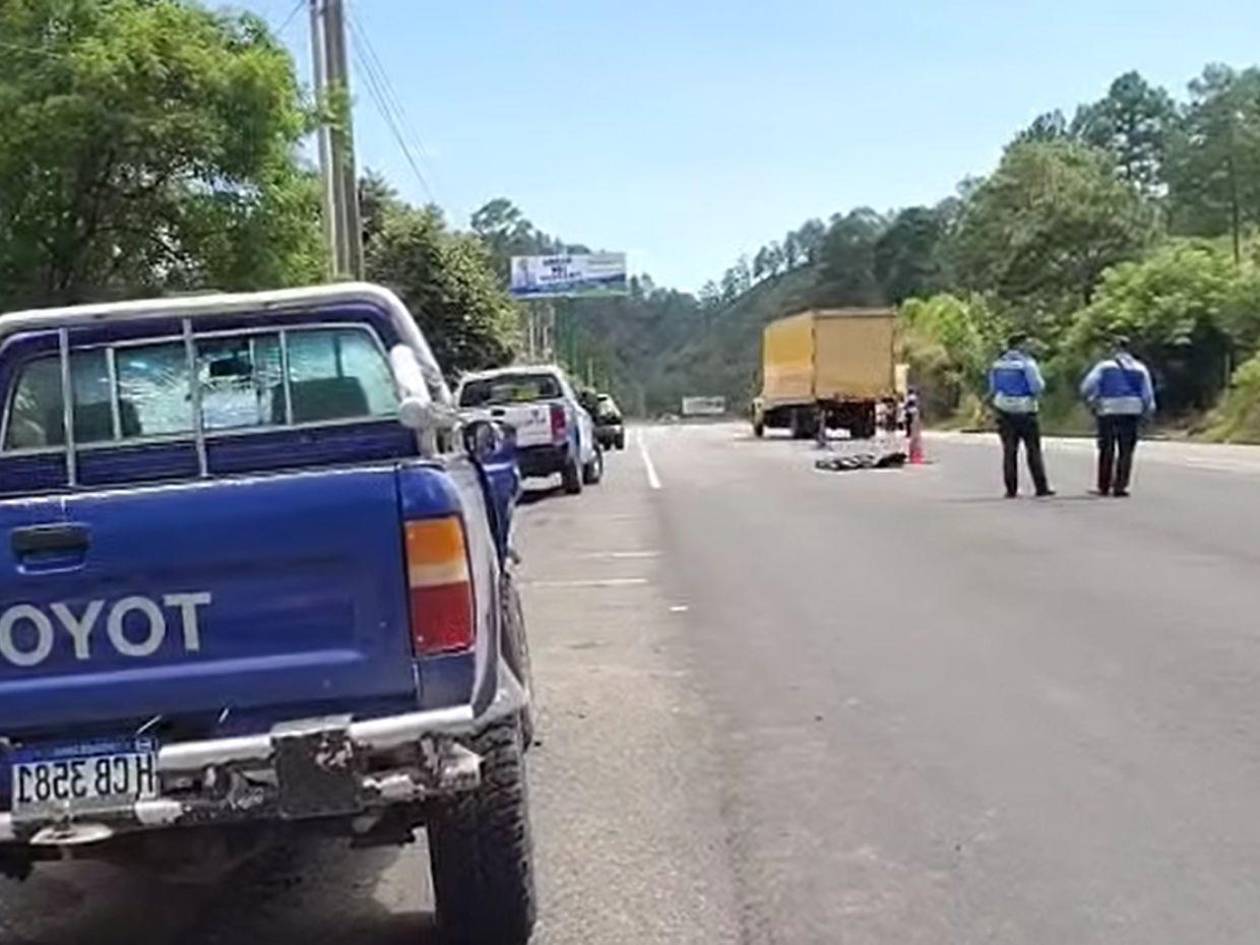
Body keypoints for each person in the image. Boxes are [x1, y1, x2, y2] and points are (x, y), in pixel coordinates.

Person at [1079, 336, 1156, 497]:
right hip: (1131, 411)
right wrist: (1147, 412)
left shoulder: (1104, 367)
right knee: (1126, 450)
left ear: (1114, 349)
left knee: (1106, 449)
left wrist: (1093, 401)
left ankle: (1104, 486)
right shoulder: (1140, 368)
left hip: (1108, 411)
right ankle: (1120, 486)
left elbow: (1087, 386)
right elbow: (1147, 394)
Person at [988, 333, 1054, 498]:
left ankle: (1011, 489)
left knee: (1009, 451)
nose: (1030, 346)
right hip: (1025, 410)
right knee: (1033, 450)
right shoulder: (1027, 364)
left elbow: (993, 388)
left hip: (1004, 410)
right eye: (1027, 343)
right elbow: (1037, 386)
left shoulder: (998, 364)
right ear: (1020, 345)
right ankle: (1041, 487)